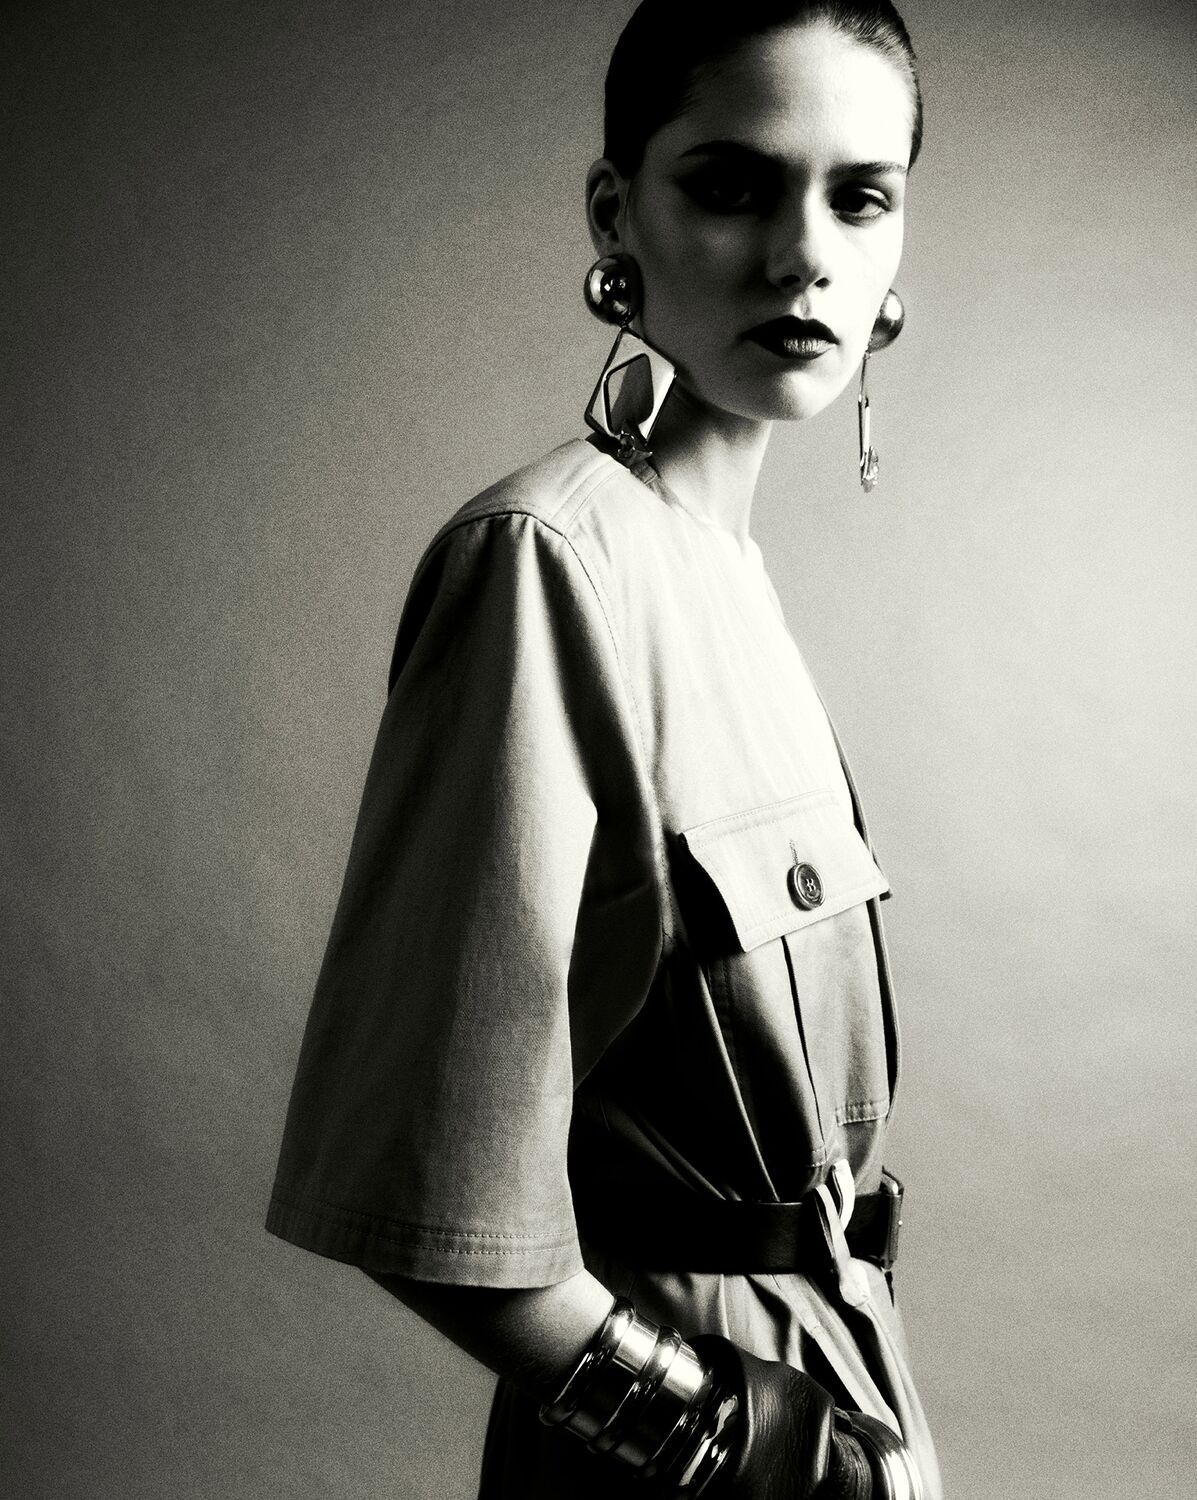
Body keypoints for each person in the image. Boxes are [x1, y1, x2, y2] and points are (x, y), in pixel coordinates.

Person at [266, 2, 943, 1495]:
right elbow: (423, 1178)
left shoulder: (724, 571)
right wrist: (730, 1441)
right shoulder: (548, 564)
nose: (803, 255)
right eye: (731, 185)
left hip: (845, 1385)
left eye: (858, 197)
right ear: (613, 213)